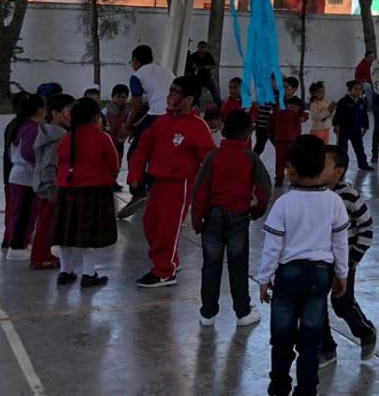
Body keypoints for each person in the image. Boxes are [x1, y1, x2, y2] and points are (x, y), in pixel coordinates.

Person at [258, 136, 350, 396]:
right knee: (311, 338)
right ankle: (307, 389)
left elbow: (272, 247)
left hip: (287, 276)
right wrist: (341, 274)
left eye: (287, 166)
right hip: (320, 276)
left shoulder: (284, 204)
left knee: (281, 336)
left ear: (293, 170)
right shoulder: (334, 202)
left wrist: (264, 279)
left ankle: (279, 385)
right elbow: (340, 243)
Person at [126, 76, 216, 288]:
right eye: (170, 91)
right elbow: (142, 150)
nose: (169, 96)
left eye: (175, 93)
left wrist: (210, 190)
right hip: (158, 183)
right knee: (150, 225)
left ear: (188, 99)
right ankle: (169, 261)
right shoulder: (162, 122)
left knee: (168, 228)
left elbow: (210, 159)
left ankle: (164, 271)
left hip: (180, 185)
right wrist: (135, 174)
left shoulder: (197, 127)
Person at [192, 109, 272, 327]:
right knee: (238, 265)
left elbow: (200, 189)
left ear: (224, 131)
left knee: (210, 265)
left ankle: (207, 314)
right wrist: (256, 211)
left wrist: (196, 219)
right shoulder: (250, 158)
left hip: (213, 217)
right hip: (239, 216)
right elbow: (265, 188)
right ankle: (243, 312)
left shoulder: (213, 156)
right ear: (249, 133)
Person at [318, 144, 377, 366]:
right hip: (318, 262)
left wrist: (354, 257)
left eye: (323, 165)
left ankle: (365, 331)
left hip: (344, 261)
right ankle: (326, 348)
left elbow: (367, 226)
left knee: (341, 303)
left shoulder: (349, 196)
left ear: (338, 171)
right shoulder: (315, 193)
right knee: (316, 305)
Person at [52, 96, 119, 287]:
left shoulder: (66, 138)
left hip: (67, 191)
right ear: (96, 117)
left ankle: (65, 272)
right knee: (89, 236)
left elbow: (60, 163)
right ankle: (89, 274)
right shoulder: (101, 138)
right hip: (94, 191)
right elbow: (114, 164)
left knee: (66, 234)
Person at [123, 44, 174, 210]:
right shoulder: (165, 71)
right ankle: (152, 190)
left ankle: (138, 191)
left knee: (135, 153)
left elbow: (137, 105)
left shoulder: (137, 76)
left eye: (132, 61)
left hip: (157, 116)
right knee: (156, 155)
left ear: (136, 61)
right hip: (174, 116)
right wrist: (138, 127)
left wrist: (129, 125)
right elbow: (153, 102)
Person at [30, 92, 75, 270]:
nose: (73, 115)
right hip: (51, 187)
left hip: (42, 184)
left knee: (44, 222)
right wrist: (52, 189)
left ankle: (42, 254)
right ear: (56, 113)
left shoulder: (46, 131)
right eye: (70, 110)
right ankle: (40, 257)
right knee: (46, 224)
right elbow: (49, 165)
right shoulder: (59, 136)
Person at [3, 93, 46, 260]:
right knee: (24, 214)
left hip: (18, 176)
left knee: (20, 213)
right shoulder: (32, 128)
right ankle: (17, 248)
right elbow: (29, 152)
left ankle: (18, 245)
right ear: (40, 110)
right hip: (25, 177)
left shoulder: (20, 125)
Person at [269, 83, 308, 186]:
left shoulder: (298, 102)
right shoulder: (277, 101)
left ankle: (295, 176)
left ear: (294, 89)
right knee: (280, 158)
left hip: (293, 135)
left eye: (287, 88)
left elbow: (305, 113)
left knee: (293, 157)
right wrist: (269, 130)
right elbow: (272, 117)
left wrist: (303, 117)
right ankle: (279, 178)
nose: (284, 90)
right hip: (279, 135)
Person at [333, 80, 371, 171]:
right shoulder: (343, 102)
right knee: (342, 148)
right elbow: (338, 115)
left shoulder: (362, 102)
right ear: (350, 90)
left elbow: (364, 116)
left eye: (360, 90)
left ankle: (363, 164)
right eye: (355, 89)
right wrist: (336, 125)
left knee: (359, 147)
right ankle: (341, 165)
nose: (358, 92)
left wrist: (365, 127)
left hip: (357, 128)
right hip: (344, 129)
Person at [104, 84, 131, 178]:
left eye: (123, 97)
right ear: (113, 97)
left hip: (120, 141)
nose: (120, 99)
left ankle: (114, 180)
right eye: (118, 96)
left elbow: (128, 125)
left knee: (118, 160)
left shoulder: (128, 111)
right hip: (108, 141)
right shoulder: (106, 110)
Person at [185, 40, 220, 106]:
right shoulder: (193, 56)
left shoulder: (208, 55)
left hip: (206, 77)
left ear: (206, 48)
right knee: (195, 92)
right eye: (201, 47)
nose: (202, 49)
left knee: (214, 91)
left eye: (204, 47)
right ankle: (196, 107)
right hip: (196, 78)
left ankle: (219, 106)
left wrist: (207, 67)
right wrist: (192, 67)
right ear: (198, 47)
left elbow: (213, 65)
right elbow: (188, 68)